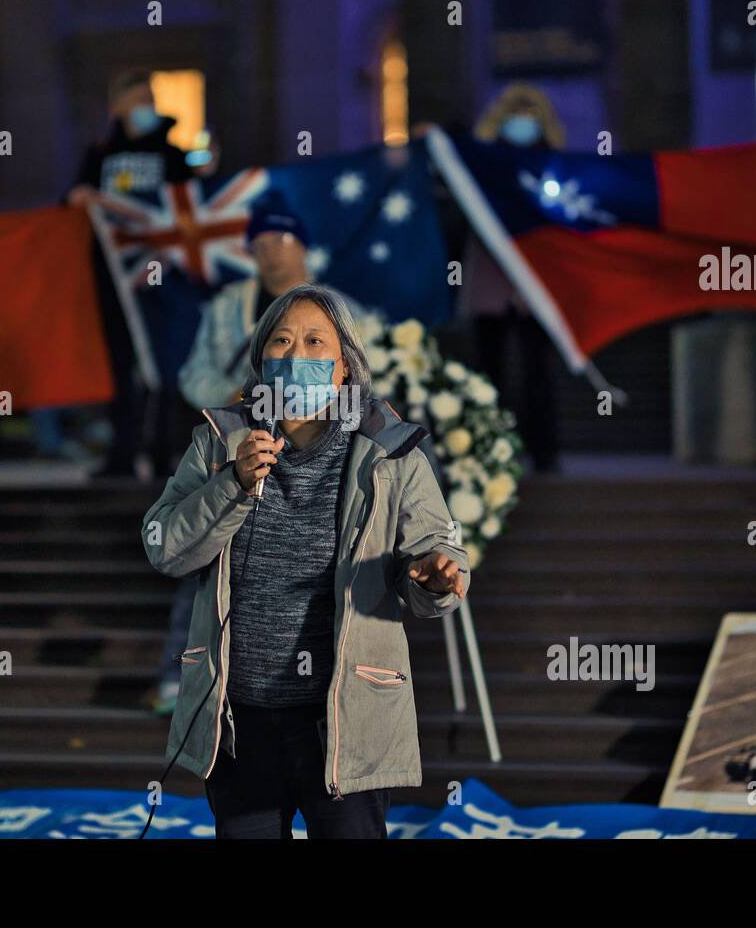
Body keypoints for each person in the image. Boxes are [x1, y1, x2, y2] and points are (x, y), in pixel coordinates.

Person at [141, 283, 469, 838]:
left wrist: (437, 577)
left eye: (316, 343)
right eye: (282, 341)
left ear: (345, 369)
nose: (296, 356)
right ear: (261, 359)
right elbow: (164, 546)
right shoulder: (219, 443)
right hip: (240, 719)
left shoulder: (391, 453)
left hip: (342, 720)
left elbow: (434, 564)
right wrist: (232, 484)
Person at [148, 192, 373, 717]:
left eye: (282, 239)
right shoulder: (229, 306)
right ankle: (180, 675)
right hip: (241, 445)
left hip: (321, 460)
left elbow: (366, 377)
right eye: (261, 242)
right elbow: (192, 371)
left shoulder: (340, 310)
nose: (271, 252)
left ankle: (335, 690)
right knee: (213, 556)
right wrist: (230, 402)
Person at [65, 69, 200, 479]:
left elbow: (190, 216)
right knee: (121, 367)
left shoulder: (173, 156)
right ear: (116, 106)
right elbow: (74, 207)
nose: (146, 107)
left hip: (163, 280)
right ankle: (122, 455)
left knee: (165, 366)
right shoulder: (100, 155)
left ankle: (164, 454)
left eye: (150, 99)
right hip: (114, 281)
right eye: (137, 98)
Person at [461, 83, 565, 473]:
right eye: (515, 113)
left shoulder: (552, 163)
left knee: (538, 369)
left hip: (535, 282)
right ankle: (492, 452)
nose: (522, 122)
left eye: (529, 113)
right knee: (490, 371)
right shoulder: (481, 162)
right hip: (490, 281)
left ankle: (545, 453)